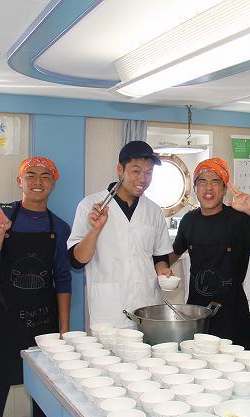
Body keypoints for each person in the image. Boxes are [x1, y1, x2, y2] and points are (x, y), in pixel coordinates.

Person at [0, 157, 71, 417]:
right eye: (30, 175)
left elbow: (62, 279)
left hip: (42, 324)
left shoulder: (59, 227)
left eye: (46, 176)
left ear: (53, 183)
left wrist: (64, 329)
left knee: (47, 393)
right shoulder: (0, 214)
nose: (38, 181)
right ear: (19, 181)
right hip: (1, 320)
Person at [170, 158, 250, 352]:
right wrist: (160, 265)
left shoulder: (238, 219)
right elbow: (175, 252)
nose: (208, 188)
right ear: (195, 188)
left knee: (240, 362)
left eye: (215, 182)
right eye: (202, 181)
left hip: (233, 312)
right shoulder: (189, 220)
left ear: (224, 190)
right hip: (198, 312)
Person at [68, 140, 173, 329]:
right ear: (120, 169)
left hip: (148, 308)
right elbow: (76, 261)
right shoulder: (90, 206)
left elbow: (160, 257)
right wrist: (95, 230)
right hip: (110, 312)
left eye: (149, 173)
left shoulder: (154, 210)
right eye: (136, 171)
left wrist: (163, 271)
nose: (143, 179)